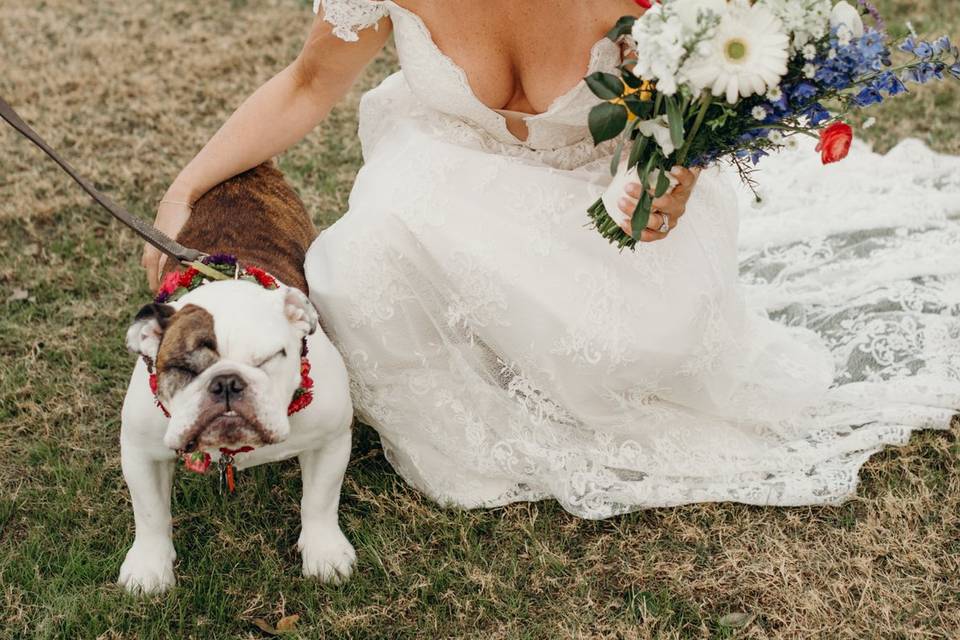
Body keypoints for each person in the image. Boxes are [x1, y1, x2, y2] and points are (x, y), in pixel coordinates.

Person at [144, 0, 960, 519]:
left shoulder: (659, 7)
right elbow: (307, 84)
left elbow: (715, 93)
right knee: (352, 265)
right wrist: (183, 190)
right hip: (447, 184)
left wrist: (676, 176)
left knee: (635, 349)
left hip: (602, 202)